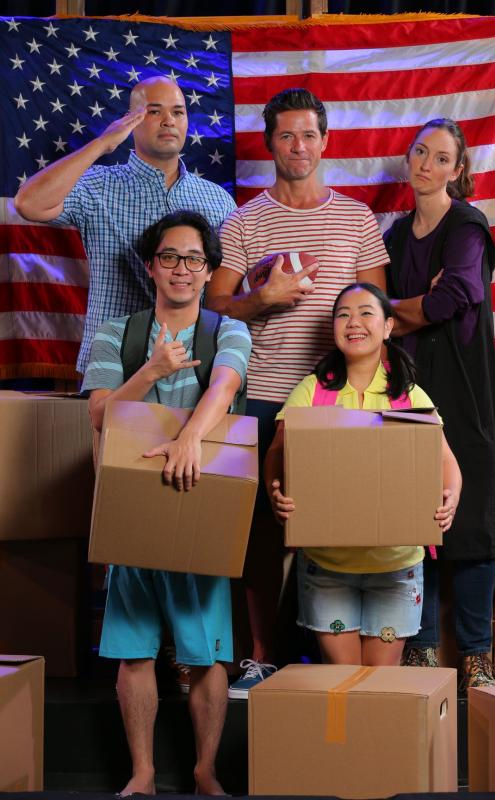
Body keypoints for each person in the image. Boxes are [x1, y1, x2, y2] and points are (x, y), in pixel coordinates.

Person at [205, 88, 390, 694]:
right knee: (259, 526)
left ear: (326, 141)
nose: (298, 146)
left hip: (335, 397)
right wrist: (263, 301)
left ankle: (326, 652)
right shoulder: (246, 220)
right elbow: (214, 303)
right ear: (270, 144)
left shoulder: (356, 218)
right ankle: (261, 654)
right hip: (261, 390)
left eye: (308, 134)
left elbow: (376, 309)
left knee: (334, 522)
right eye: (286, 136)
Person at [82, 211, 251, 796]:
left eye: (195, 259)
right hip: (132, 504)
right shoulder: (117, 333)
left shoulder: (227, 331)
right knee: (133, 650)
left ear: (209, 272)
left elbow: (226, 388)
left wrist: (188, 439)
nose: (183, 269)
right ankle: (144, 773)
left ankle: (205, 770)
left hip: (203, 499)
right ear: (151, 266)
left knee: (206, 652)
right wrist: (152, 369)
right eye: (171, 257)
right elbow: (100, 413)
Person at [384, 118, 495, 689]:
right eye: (420, 152)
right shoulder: (393, 236)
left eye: (441, 158)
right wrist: (405, 306)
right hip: (405, 386)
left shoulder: (468, 224)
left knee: (468, 523)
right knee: (413, 521)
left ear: (457, 171)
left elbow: (456, 295)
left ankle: (476, 655)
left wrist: (396, 310)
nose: (426, 164)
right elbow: (374, 308)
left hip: (463, 390)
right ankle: (419, 648)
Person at [263, 282, 462, 665]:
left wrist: (451, 495)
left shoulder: (407, 395)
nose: (353, 322)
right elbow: (277, 452)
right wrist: (276, 489)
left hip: (396, 566)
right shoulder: (312, 392)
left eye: (365, 313)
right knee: (344, 680)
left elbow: (447, 463)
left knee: (379, 684)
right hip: (327, 566)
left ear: (388, 326)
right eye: (343, 314)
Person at [14, 75, 236, 375]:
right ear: (130, 122)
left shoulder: (218, 200)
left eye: (178, 112)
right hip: (113, 364)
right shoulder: (97, 185)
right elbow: (29, 204)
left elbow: (227, 288)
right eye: (154, 111)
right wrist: (104, 143)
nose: (168, 120)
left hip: (189, 370)